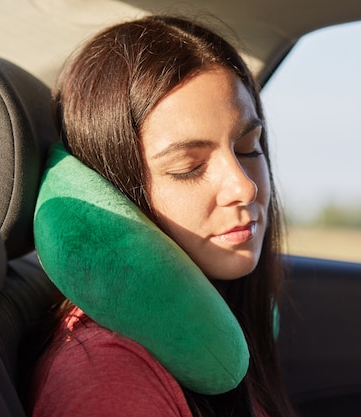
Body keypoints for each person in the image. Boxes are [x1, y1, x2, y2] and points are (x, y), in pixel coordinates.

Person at [29, 15, 296, 417]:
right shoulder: (110, 380)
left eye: (248, 148)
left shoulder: (225, 329)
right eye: (188, 167)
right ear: (116, 189)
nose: (244, 187)